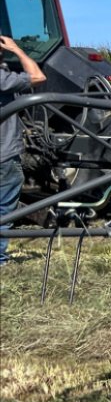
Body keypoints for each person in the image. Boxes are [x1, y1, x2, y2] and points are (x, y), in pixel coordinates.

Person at [0, 35, 47, 266]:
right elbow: (39, 77)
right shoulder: (3, 78)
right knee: (4, 211)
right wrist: (17, 50)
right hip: (4, 155)